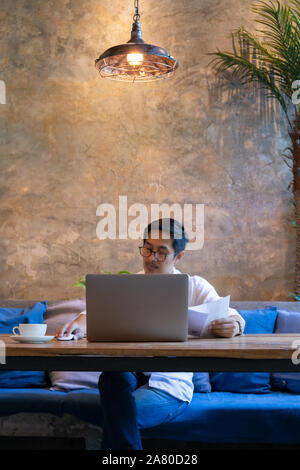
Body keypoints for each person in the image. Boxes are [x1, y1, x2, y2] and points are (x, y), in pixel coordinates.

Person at [55, 218, 245, 450]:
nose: (151, 258)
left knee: (120, 416)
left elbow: (233, 316)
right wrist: (79, 322)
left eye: (162, 252)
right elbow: (94, 312)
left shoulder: (195, 286)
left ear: (179, 256)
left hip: (168, 384)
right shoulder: (129, 284)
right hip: (131, 375)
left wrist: (235, 326)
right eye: (148, 249)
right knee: (112, 376)